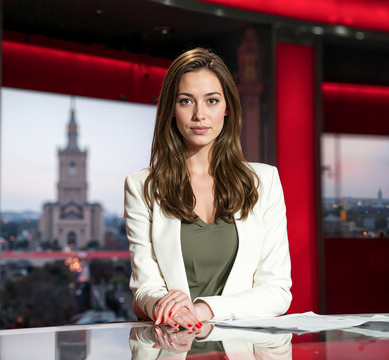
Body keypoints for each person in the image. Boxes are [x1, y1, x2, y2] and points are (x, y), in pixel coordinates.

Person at [124, 47, 291, 330]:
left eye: (212, 100)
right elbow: (145, 290)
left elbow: (277, 292)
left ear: (227, 109)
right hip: (173, 343)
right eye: (186, 101)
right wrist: (161, 304)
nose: (199, 114)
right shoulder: (142, 187)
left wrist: (204, 309)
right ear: (171, 110)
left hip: (241, 348)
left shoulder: (265, 181)